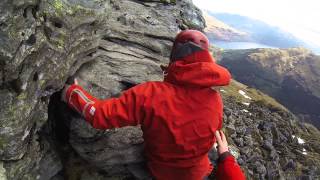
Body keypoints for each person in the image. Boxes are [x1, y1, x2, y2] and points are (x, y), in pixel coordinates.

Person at [62, 30, 245, 180]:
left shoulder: (150, 94)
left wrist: (72, 92)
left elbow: (100, 116)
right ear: (207, 61)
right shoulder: (215, 100)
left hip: (161, 173)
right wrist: (225, 156)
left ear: (174, 57)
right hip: (199, 174)